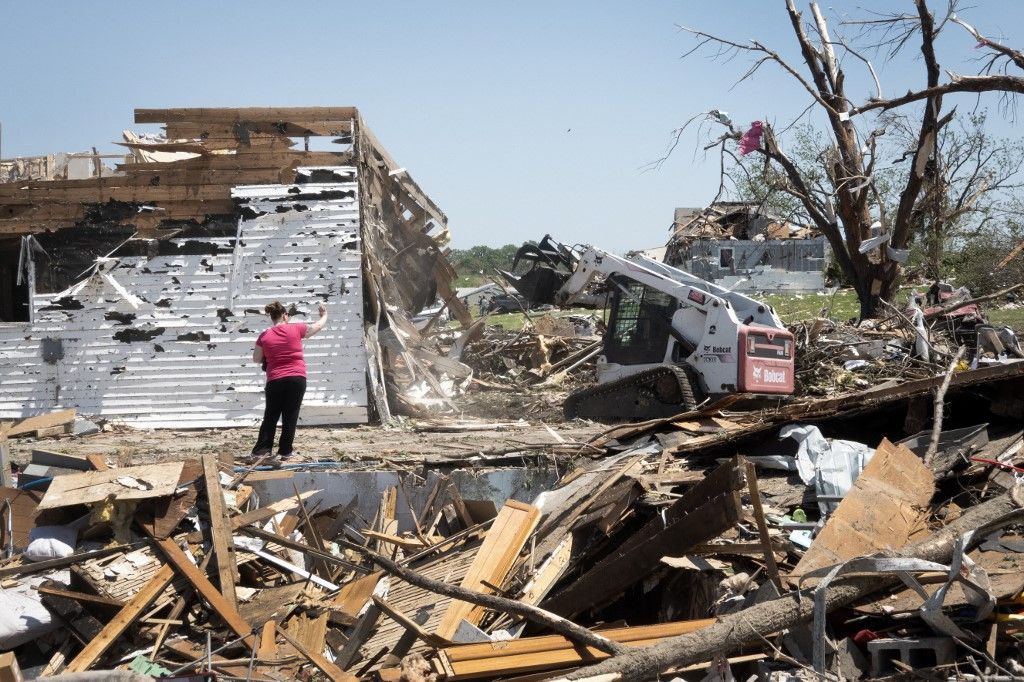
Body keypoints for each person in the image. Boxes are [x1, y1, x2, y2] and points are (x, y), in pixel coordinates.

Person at [251, 301, 328, 461]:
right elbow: (316, 327)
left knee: (271, 415)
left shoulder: (264, 336)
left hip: (275, 380)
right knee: (290, 415)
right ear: (285, 316)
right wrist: (324, 316)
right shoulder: (296, 328)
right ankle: (285, 452)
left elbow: (256, 359)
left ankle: (262, 451)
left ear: (272, 318)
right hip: (297, 378)